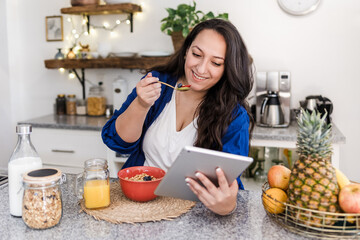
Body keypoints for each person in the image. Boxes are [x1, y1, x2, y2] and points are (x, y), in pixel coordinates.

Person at [102, 18, 254, 215]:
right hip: (139, 205)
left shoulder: (235, 116)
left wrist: (226, 206)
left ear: (227, 69)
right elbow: (118, 143)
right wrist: (141, 104)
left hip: (195, 214)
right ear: (185, 51)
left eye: (216, 63)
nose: (200, 69)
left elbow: (228, 185)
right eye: (197, 54)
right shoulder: (158, 83)